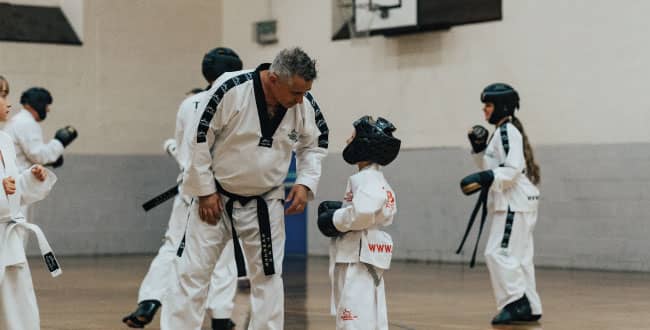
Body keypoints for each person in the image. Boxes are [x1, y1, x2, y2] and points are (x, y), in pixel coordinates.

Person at [163, 47, 328, 330]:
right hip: (214, 199)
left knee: (268, 278)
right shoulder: (231, 89)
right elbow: (197, 138)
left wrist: (304, 182)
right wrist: (204, 191)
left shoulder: (303, 104)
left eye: (305, 92)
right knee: (192, 274)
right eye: (295, 92)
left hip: (265, 202)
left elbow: (314, 144)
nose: (301, 100)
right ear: (274, 79)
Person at [123, 47, 243, 330]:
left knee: (172, 247)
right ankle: (222, 316)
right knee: (224, 256)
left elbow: (185, 152)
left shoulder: (189, 104)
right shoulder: (237, 103)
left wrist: (170, 147)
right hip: (219, 193)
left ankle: (150, 299)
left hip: (189, 190)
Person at [459, 83, 542, 324]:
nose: (484, 110)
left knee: (498, 253)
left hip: (513, 204)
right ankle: (531, 305)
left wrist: (483, 178)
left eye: (488, 105)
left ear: (501, 106)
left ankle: (516, 302)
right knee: (520, 257)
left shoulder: (506, 132)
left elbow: (511, 169)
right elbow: (493, 166)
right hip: (517, 202)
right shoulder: (502, 131)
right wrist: (479, 149)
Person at [317, 116, 400, 330]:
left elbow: (362, 212)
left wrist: (336, 219)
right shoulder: (379, 180)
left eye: (352, 136)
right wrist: (344, 210)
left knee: (352, 314)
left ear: (364, 143)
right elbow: (383, 212)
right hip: (368, 252)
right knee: (371, 313)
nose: (348, 140)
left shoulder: (365, 179)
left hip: (357, 255)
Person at [0, 92, 60, 330]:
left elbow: (14, 188)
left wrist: (31, 179)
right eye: (2, 95)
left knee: (21, 299)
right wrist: (59, 143)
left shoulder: (4, 139)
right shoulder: (25, 124)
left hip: (9, 230)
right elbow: (40, 153)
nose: (8, 103)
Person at [2, 87, 77, 226]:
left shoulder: (18, 121)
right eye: (47, 105)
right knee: (16, 234)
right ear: (38, 103)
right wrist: (59, 142)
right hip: (14, 188)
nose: (48, 110)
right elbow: (39, 156)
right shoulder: (26, 122)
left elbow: (28, 155)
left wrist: (52, 156)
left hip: (12, 186)